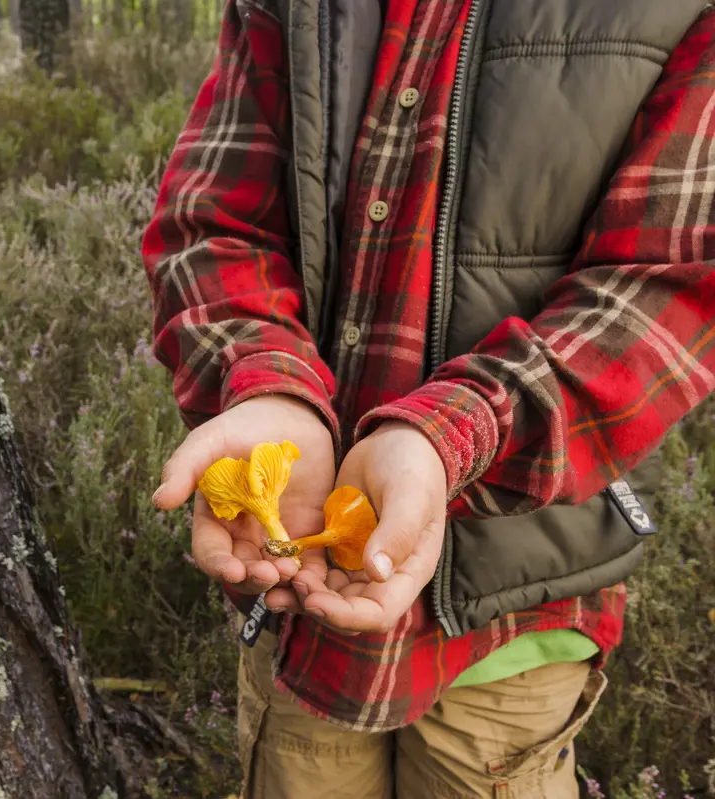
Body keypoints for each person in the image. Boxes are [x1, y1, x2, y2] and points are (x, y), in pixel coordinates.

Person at [141, 0, 715, 796]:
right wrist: (268, 380)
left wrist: (450, 437)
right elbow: (216, 221)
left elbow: (668, 287)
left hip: (513, 614)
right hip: (306, 598)